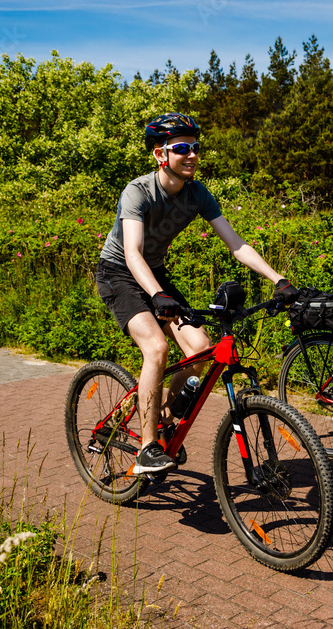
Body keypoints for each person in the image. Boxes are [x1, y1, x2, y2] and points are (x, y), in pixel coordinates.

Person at [95, 112, 297, 475]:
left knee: (201, 349)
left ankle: (164, 419)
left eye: (195, 148)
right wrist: (158, 295)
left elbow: (235, 243)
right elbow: (132, 253)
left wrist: (277, 278)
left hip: (154, 275)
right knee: (156, 347)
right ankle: (147, 448)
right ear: (160, 155)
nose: (191, 155)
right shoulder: (138, 191)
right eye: (181, 148)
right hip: (119, 274)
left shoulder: (197, 194)